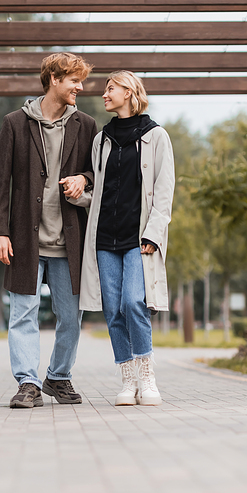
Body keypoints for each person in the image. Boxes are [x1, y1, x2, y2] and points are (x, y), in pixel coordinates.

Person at [0, 52, 98, 409]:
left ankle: (58, 376)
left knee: (71, 315)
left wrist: (84, 178)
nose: (80, 87)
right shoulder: (15, 124)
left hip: (70, 243)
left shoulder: (87, 125)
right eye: (74, 81)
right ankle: (28, 383)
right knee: (23, 314)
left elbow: (100, 174)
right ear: (54, 79)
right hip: (24, 240)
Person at [68, 71, 174, 406]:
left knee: (133, 303)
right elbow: (100, 190)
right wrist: (78, 195)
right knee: (113, 310)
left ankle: (148, 378)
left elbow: (164, 192)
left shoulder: (156, 136)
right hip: (104, 239)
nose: (103, 94)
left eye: (110, 89)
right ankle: (128, 381)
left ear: (129, 93)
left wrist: (154, 234)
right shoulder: (102, 139)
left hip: (137, 238)